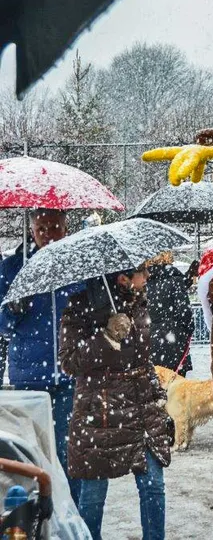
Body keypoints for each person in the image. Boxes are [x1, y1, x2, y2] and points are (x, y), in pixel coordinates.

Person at [59, 265, 172, 540]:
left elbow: (143, 359)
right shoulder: (80, 306)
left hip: (142, 408)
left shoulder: (139, 302)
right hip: (100, 411)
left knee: (153, 485)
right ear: (123, 277)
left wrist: (157, 395)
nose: (147, 278)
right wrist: (106, 337)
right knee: (94, 495)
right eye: (142, 272)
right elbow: (70, 362)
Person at [0, 209, 83, 502]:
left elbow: (90, 312)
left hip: (70, 373)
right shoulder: (12, 268)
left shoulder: (78, 265)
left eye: (55, 227)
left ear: (65, 227)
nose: (48, 234)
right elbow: (2, 327)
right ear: (32, 229)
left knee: (68, 451)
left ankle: (69, 511)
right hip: (28, 377)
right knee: (31, 450)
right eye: (42, 228)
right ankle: (38, 512)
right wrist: (12, 309)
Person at [146, 252, 194, 376]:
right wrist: (188, 328)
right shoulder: (175, 279)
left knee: (156, 380)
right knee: (176, 383)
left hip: (150, 338)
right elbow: (185, 311)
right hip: (174, 338)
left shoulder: (145, 282)